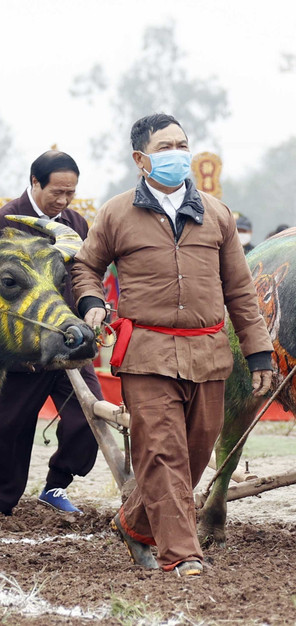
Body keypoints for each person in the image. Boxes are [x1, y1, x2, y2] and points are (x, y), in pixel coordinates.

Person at [72, 113, 274, 577]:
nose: (178, 154)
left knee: (196, 451)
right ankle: (182, 555)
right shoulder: (117, 213)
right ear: (141, 159)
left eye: (182, 144)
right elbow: (85, 266)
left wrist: (257, 350)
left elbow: (241, 290)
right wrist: (91, 302)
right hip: (147, 352)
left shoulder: (217, 213)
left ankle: (135, 522)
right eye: (166, 147)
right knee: (164, 453)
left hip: (209, 354)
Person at [0, 150, 103, 515]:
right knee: (9, 430)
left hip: (71, 343)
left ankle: (56, 486)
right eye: (57, 192)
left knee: (89, 419)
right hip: (24, 351)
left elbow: (84, 275)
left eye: (71, 193)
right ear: (35, 182)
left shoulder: (76, 223)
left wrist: (91, 307)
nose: (64, 201)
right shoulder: (5, 222)